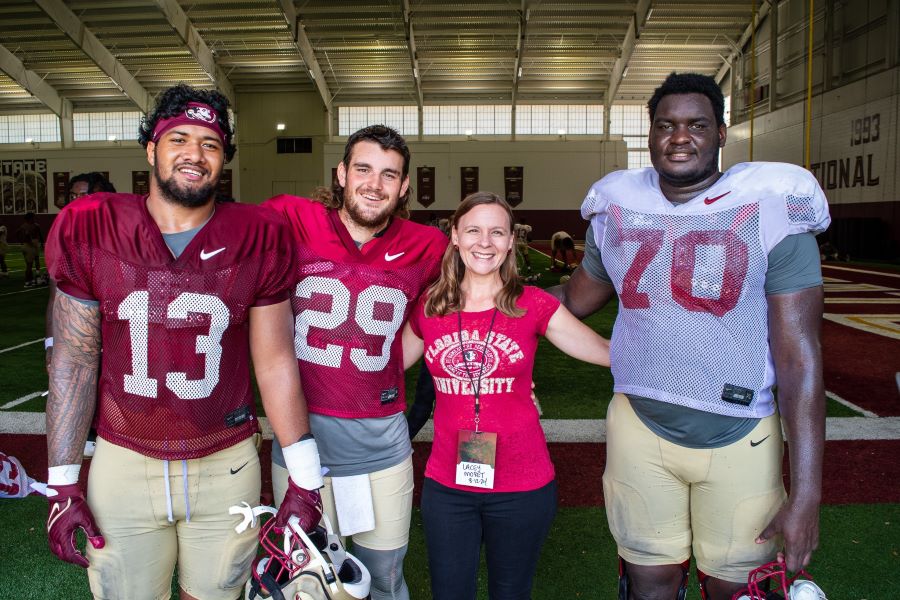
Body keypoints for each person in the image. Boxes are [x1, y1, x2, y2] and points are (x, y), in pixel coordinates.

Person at [551, 72, 829, 600]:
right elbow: (574, 300)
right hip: (639, 423)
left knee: (736, 586)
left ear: (721, 134)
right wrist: (488, 294)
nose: (680, 137)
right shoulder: (617, 205)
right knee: (647, 581)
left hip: (740, 433)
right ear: (651, 133)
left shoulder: (771, 203)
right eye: (666, 125)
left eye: (697, 124)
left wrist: (808, 492)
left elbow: (801, 359)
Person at [43, 83, 324, 600]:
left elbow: (276, 360)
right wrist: (62, 481)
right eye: (179, 139)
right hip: (123, 460)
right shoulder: (92, 224)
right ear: (152, 149)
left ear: (225, 160)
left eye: (210, 144)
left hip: (226, 460)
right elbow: (75, 360)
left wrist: (306, 479)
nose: (194, 154)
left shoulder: (258, 232)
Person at [263, 124, 448, 600]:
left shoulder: (428, 246)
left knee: (384, 578)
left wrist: (387, 363)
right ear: (342, 173)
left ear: (404, 186)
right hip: (300, 436)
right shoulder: (291, 217)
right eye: (363, 169)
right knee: (310, 582)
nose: (375, 184)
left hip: (380, 440)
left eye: (390, 175)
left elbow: (450, 314)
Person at [402, 192, 611, 600]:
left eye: (497, 232)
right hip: (448, 486)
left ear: (511, 241)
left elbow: (606, 353)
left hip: (523, 484)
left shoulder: (531, 304)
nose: (485, 242)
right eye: (474, 231)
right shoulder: (430, 307)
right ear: (456, 238)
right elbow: (385, 367)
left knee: (511, 593)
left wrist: (688, 347)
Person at [46, 173, 117, 370]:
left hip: (118, 348)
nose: (77, 203)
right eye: (73, 197)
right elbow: (54, 299)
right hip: (77, 344)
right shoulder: (65, 243)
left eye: (84, 196)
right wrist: (50, 344)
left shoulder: (122, 240)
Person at [16, 211, 42, 286]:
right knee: (30, 264)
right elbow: (29, 236)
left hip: (27, 245)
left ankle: (31, 279)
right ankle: (27, 281)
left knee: (31, 262)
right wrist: (28, 242)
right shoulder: (33, 226)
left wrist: (20, 242)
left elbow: (17, 233)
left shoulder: (23, 226)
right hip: (30, 245)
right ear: (30, 218)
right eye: (33, 217)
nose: (34, 218)